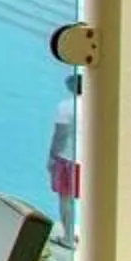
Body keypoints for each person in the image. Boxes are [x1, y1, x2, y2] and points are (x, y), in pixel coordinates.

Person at [50, 71, 82, 244]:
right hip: (91, 160)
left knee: (66, 199)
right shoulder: (99, 104)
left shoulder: (66, 107)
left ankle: (68, 238)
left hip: (69, 158)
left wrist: (52, 157)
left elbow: (60, 135)